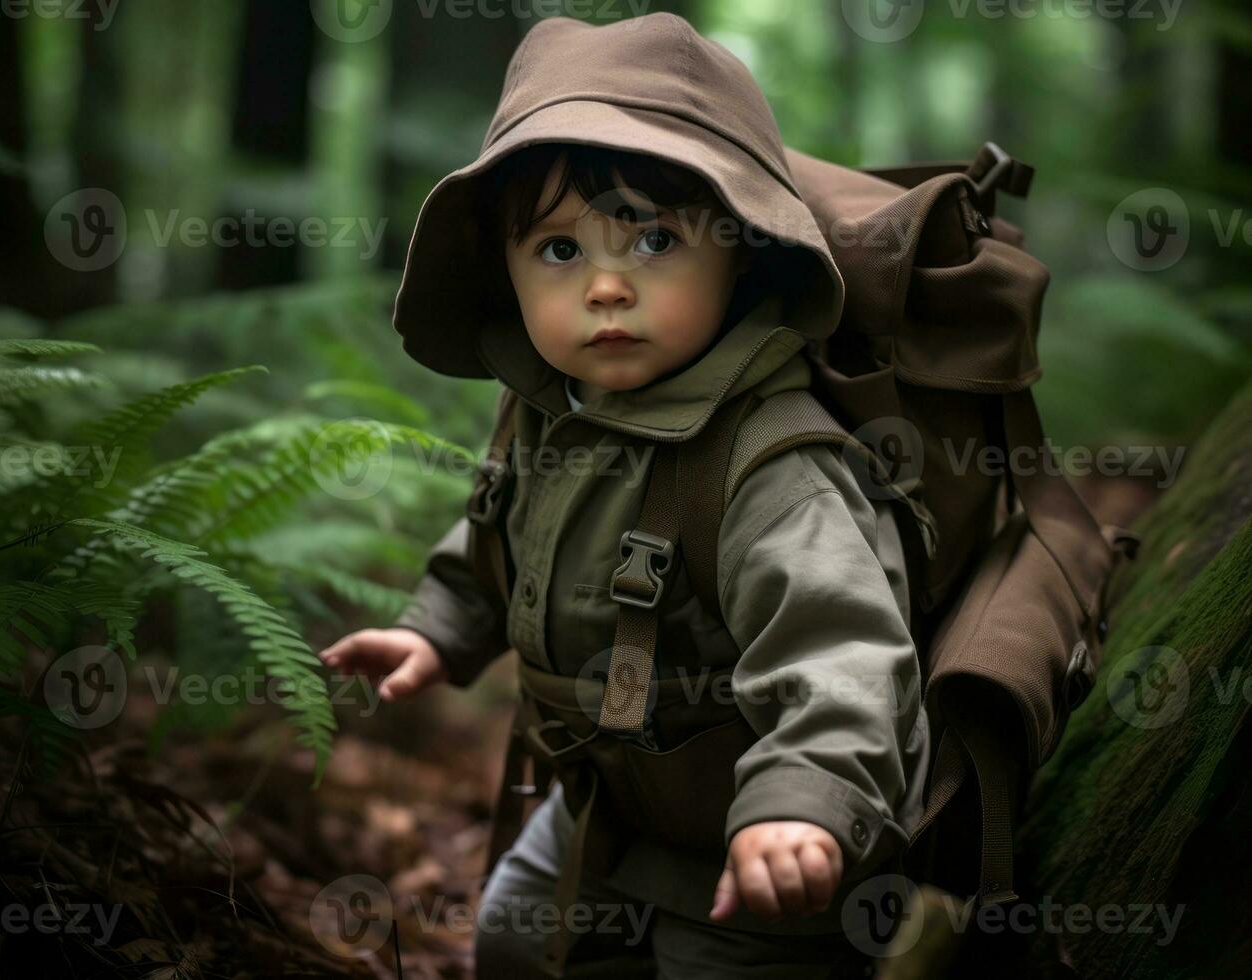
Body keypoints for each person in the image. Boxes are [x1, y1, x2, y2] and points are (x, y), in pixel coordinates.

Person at [318, 12, 929, 978]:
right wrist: (439, 628)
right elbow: (504, 535)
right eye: (559, 252)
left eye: (652, 240)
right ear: (505, 273)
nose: (604, 286)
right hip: (602, 809)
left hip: (751, 844)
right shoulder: (550, 414)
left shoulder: (771, 464)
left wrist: (802, 803)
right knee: (516, 940)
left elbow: (845, 651)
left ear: (739, 257)